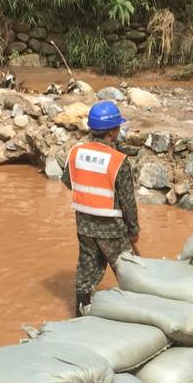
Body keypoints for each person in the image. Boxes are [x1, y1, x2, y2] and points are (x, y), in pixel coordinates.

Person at [61, 100, 140, 315]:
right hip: (111, 227)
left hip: (84, 224)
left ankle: (80, 314)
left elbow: (68, 181)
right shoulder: (118, 160)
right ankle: (138, 313)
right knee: (128, 271)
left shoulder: (76, 152)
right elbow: (128, 201)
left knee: (86, 271)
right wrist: (133, 230)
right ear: (113, 131)